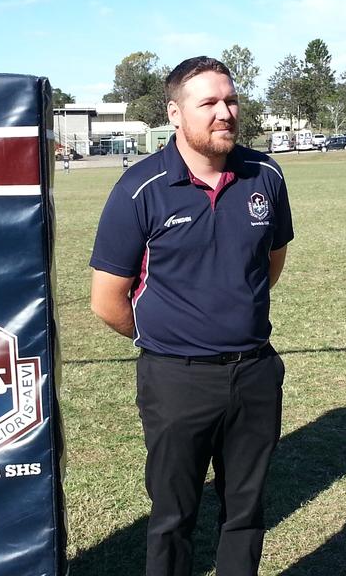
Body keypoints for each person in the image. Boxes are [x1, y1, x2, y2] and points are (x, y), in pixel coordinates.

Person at [89, 56, 293, 576]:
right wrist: (166, 337)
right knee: (173, 515)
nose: (224, 112)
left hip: (254, 373)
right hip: (175, 379)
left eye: (230, 100)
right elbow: (106, 298)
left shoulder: (264, 174)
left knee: (245, 513)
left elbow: (270, 263)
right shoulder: (140, 188)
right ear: (175, 113)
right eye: (208, 103)